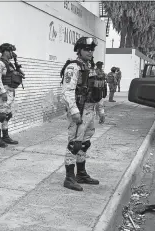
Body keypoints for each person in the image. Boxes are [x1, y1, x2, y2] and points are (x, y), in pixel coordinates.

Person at [60, 37, 105, 191]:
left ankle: (81, 173)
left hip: (90, 111)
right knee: (74, 144)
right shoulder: (73, 67)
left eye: (92, 49)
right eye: (87, 49)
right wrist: (74, 111)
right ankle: (69, 178)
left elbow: (97, 91)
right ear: (79, 50)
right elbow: (67, 91)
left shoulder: (91, 68)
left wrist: (101, 110)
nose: (90, 52)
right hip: (79, 110)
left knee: (84, 144)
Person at [0, 43, 24, 148]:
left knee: (7, 115)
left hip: (10, 92)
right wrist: (2, 92)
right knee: (1, 116)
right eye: (10, 51)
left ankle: (5, 136)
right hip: (4, 93)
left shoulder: (9, 63)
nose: (12, 53)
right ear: (5, 51)